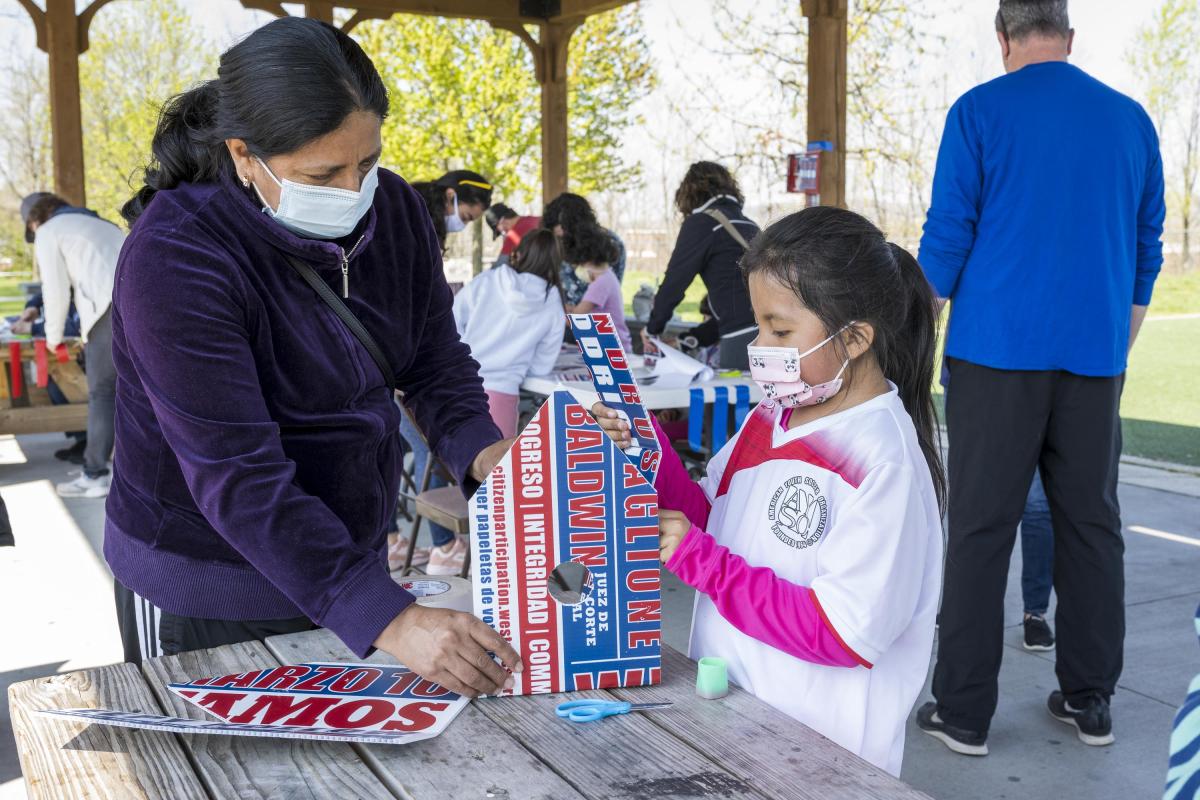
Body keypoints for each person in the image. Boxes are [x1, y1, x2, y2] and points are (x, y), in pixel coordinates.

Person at [106, 18, 521, 698]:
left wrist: (483, 452)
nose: (351, 189)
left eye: (366, 162)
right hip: (208, 582)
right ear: (244, 155)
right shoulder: (176, 254)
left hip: (342, 565)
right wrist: (391, 618)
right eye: (322, 173)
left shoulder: (394, 210)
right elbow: (237, 474)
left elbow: (434, 362)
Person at [593, 206, 945, 776]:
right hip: (733, 727)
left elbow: (842, 633)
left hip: (821, 762)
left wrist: (705, 566)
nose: (760, 345)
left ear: (855, 337)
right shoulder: (774, 416)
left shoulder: (884, 460)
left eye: (779, 330)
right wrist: (645, 450)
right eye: (758, 325)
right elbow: (714, 520)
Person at [915, 0, 1164, 755]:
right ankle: (1091, 702)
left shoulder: (979, 111)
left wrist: (910, 333)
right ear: (1068, 35)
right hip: (1095, 360)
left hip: (995, 354)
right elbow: (1145, 246)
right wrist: (1112, 343)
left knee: (982, 531)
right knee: (1092, 528)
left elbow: (949, 232)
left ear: (1002, 38)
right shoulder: (1130, 120)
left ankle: (963, 714)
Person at [397, 168, 493, 574]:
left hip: (407, 376)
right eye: (467, 217)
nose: (462, 228)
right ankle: (442, 546)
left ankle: (400, 542)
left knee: (408, 450)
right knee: (427, 453)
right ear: (451, 197)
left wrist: (480, 447)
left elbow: (441, 356)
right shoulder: (408, 218)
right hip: (398, 375)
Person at [20, 192, 123, 498]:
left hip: (108, 310)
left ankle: (95, 475)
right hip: (137, 299)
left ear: (35, 220)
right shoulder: (96, 223)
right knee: (136, 392)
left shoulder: (49, 231)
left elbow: (56, 290)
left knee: (102, 393)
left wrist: (52, 338)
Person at [646, 162, 759, 371]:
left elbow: (674, 283)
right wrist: (689, 339)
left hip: (739, 342)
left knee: (730, 403)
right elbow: (738, 303)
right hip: (770, 335)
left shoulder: (703, 222)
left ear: (689, 192)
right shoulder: (750, 225)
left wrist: (652, 330)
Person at [452, 228, 564, 437]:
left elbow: (451, 322)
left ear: (518, 253)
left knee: (450, 465)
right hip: (502, 393)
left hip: (460, 385)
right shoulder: (553, 303)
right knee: (497, 468)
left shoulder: (487, 281)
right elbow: (542, 366)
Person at [541, 192, 625, 304]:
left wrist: (570, 318)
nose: (562, 243)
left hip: (597, 319)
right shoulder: (552, 244)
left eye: (567, 237)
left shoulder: (610, 245)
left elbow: (608, 311)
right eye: (559, 238)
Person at [563, 224, 632, 353]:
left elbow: (575, 319)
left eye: (579, 264)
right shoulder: (608, 276)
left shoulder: (600, 284)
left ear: (586, 260)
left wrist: (551, 314)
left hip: (613, 349)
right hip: (612, 345)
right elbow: (583, 310)